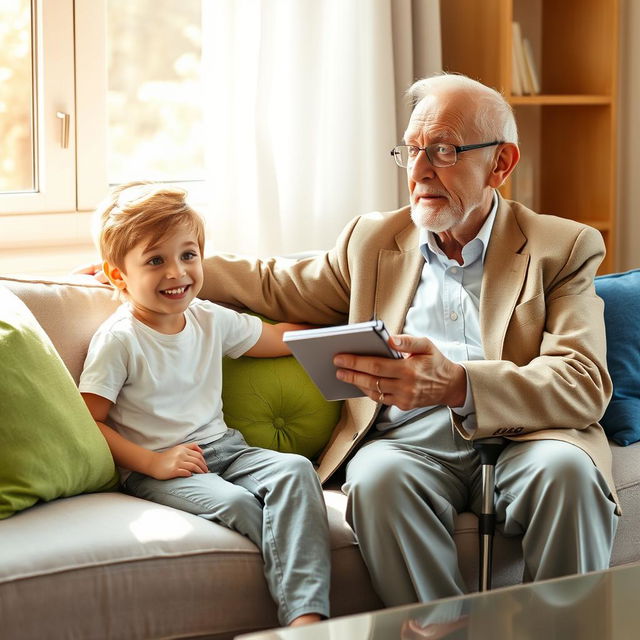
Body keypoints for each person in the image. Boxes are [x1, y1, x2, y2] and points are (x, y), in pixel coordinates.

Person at [194, 72, 620, 606]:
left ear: (501, 163)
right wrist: (167, 267)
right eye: (412, 150)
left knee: (567, 473)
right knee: (376, 478)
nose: (418, 172)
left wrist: (457, 384)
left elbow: (581, 383)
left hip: (527, 437)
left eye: (443, 151)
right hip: (407, 445)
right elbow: (274, 285)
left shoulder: (562, 246)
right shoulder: (373, 240)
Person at [78, 182, 331, 627]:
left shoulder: (209, 317)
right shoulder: (120, 340)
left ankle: (309, 620)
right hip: (156, 468)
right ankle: (298, 612)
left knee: (296, 470)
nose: (177, 272)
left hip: (226, 449)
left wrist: (345, 330)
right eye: (155, 260)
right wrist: (152, 463)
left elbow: (273, 338)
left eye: (188, 255)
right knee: (237, 505)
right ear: (119, 275)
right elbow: (88, 420)